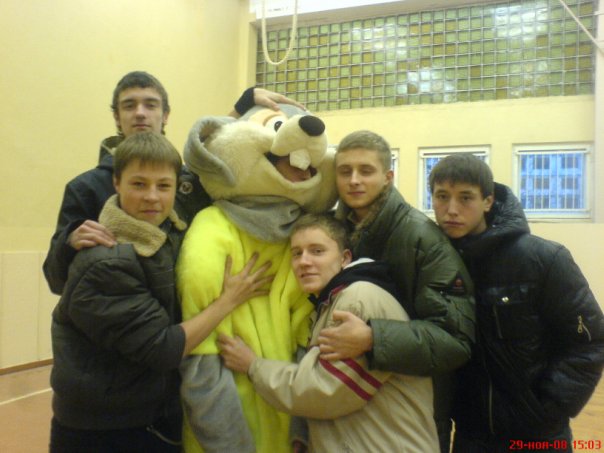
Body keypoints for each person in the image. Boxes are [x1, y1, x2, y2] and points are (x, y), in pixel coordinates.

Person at [49, 132, 273, 452]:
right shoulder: (106, 262)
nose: (152, 197)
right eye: (139, 184)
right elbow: (163, 348)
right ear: (116, 183)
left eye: (163, 186)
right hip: (105, 432)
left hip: (150, 416)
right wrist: (229, 300)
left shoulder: (168, 232)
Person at [43, 70, 303, 295]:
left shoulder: (188, 182)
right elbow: (55, 280)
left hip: (190, 319)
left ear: (165, 114)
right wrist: (69, 243)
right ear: (117, 116)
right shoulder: (85, 188)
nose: (140, 113)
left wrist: (244, 105)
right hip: (124, 325)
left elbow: (217, 156)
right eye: (129, 105)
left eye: (150, 105)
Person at [218, 213, 439, 452]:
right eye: (296, 253)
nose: (304, 261)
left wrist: (253, 366)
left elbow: (323, 392)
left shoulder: (359, 299)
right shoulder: (331, 302)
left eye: (317, 251)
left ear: (345, 258)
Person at [428, 153, 604, 452]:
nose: (452, 209)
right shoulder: (437, 262)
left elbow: (589, 339)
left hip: (537, 435)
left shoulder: (543, 259)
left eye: (466, 198)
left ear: (488, 201)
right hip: (470, 435)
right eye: (442, 197)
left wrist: (549, 406)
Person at [315, 130, 475, 452]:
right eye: (345, 171)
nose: (354, 180)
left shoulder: (423, 239)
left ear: (388, 177)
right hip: (348, 405)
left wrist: (373, 338)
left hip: (409, 415)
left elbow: (455, 339)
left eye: (366, 170)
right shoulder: (332, 232)